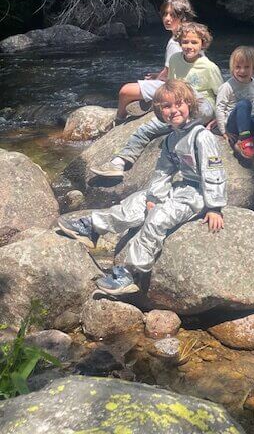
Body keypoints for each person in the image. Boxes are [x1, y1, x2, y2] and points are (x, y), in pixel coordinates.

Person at [58, 80, 227, 295]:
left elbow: (214, 171)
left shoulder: (201, 136)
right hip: (182, 187)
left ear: (190, 105)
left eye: (179, 104)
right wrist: (154, 197)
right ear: (159, 111)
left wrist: (214, 207)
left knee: (158, 218)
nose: (174, 110)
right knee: (137, 200)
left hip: (198, 194)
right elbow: (163, 171)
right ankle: (93, 227)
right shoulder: (171, 139)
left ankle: (132, 272)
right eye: (167, 106)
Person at [91, 22, 223, 178]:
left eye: (194, 42)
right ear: (179, 42)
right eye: (185, 42)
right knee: (146, 129)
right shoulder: (175, 59)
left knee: (187, 89)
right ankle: (119, 163)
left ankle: (180, 127)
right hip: (178, 110)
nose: (189, 46)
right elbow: (171, 88)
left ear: (203, 44)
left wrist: (218, 119)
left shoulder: (209, 67)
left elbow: (221, 94)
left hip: (202, 107)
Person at [115, 0, 196, 122]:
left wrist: (157, 79)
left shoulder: (176, 42)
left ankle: (119, 120)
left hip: (177, 89)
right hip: (186, 86)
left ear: (183, 17)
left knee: (125, 91)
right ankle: (152, 102)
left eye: (172, 15)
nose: (167, 19)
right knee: (149, 81)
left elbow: (168, 73)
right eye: (165, 14)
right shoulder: (194, 37)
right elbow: (175, 69)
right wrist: (156, 76)